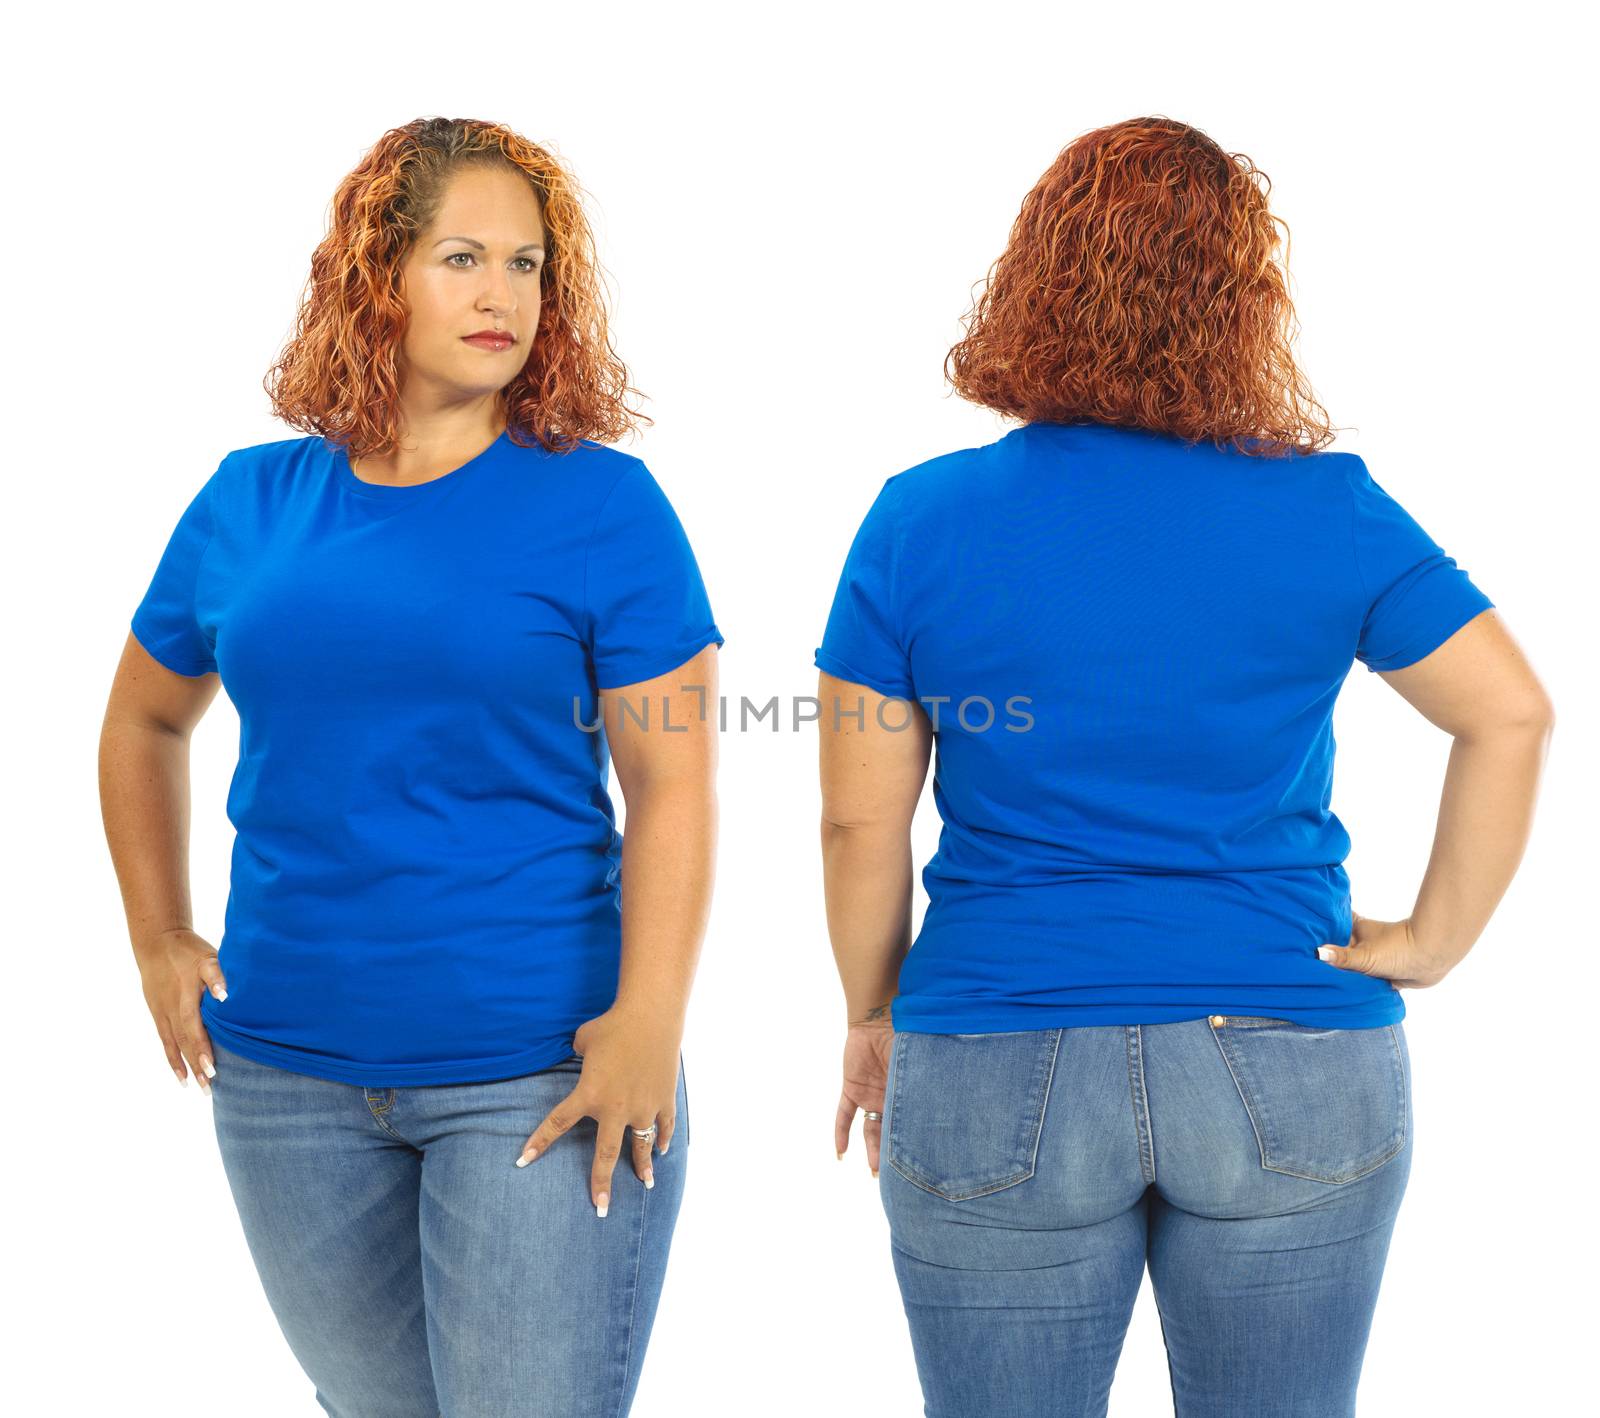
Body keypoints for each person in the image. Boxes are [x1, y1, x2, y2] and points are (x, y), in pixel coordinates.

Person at [815, 116, 1552, 1417]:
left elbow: (856, 827)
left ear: (1030, 281)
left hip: (998, 1050)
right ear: (1241, 301)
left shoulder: (920, 520)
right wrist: (1433, 940)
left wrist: (874, 1016)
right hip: (1289, 1049)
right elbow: (1509, 712)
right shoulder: (1330, 509)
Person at [99, 116, 722, 1418]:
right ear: (374, 274)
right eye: (462, 257)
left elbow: (674, 784)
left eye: (529, 264)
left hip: (541, 1074)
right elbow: (143, 721)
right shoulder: (248, 502)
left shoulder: (603, 507)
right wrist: (159, 932)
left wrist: (650, 1019)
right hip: (283, 1081)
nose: (505, 293)